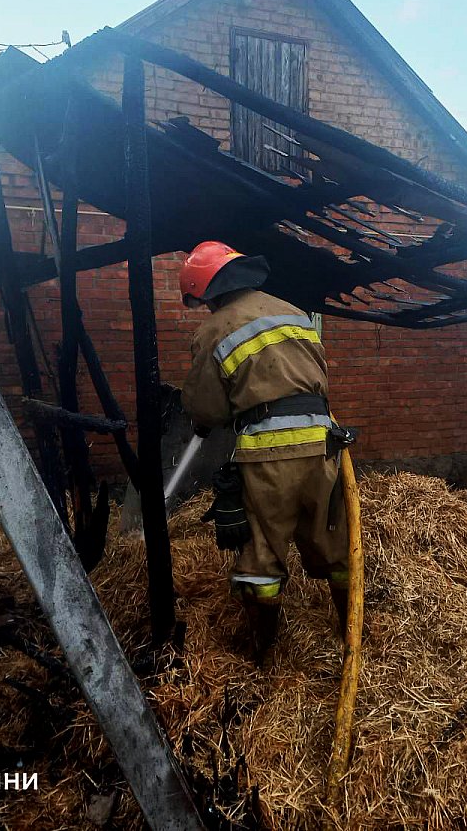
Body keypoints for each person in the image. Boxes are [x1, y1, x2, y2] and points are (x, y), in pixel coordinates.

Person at [178, 240, 350, 661]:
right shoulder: (295, 313)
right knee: (336, 544)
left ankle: (262, 654)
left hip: (269, 457)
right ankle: (351, 632)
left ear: (206, 290)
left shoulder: (215, 329)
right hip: (324, 445)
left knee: (263, 555)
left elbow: (207, 407)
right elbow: (318, 378)